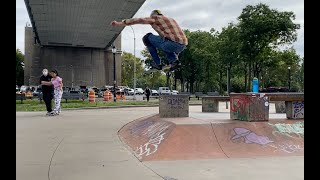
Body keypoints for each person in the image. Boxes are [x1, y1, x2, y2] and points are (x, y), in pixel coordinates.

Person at [111, 9, 188, 73]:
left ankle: (157, 63)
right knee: (165, 44)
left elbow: (140, 20)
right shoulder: (171, 19)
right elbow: (167, 36)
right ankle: (174, 62)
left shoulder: (155, 18)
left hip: (171, 43)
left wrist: (120, 23)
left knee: (147, 38)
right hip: (182, 45)